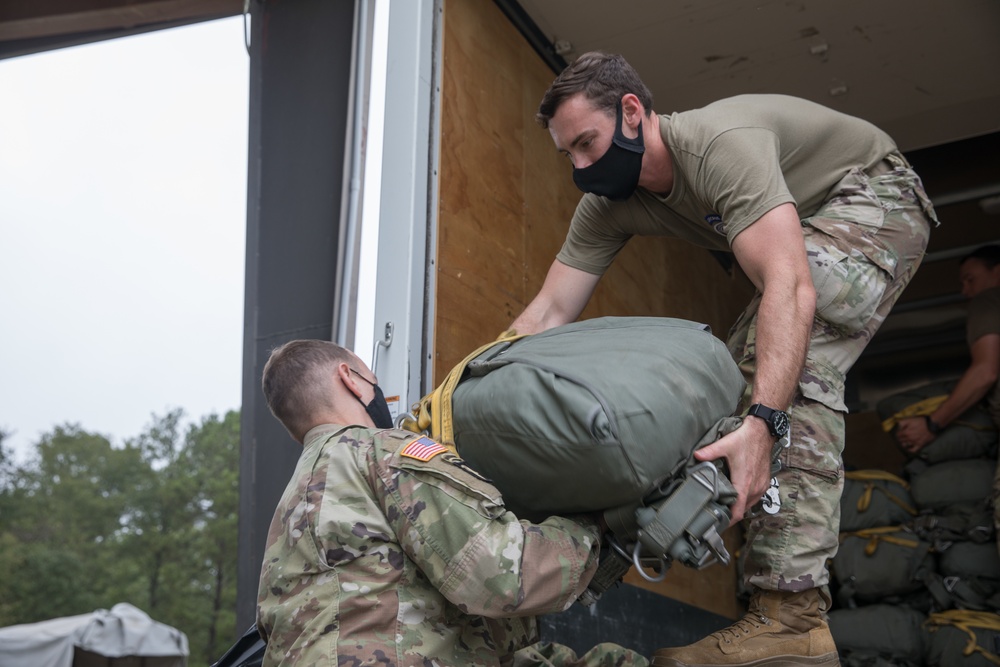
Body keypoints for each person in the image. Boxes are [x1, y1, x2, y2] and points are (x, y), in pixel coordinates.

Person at [508, 52, 938, 666]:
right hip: (804, 237)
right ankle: (745, 603)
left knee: (780, 366)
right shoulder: (609, 204)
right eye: (567, 155)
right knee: (736, 383)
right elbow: (548, 312)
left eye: (587, 143)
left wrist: (764, 423)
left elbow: (791, 285)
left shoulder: (717, 146)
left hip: (875, 199)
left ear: (632, 112)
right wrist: (452, 397)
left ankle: (792, 617)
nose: (579, 166)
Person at [255, 339, 648, 667]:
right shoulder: (382, 452)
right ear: (351, 379)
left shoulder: (287, 516)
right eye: (372, 379)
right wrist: (594, 528)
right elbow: (498, 573)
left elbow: (415, 618)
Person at [893, 244, 1000, 554]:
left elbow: (986, 371)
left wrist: (932, 424)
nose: (966, 291)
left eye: (971, 279)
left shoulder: (989, 301)